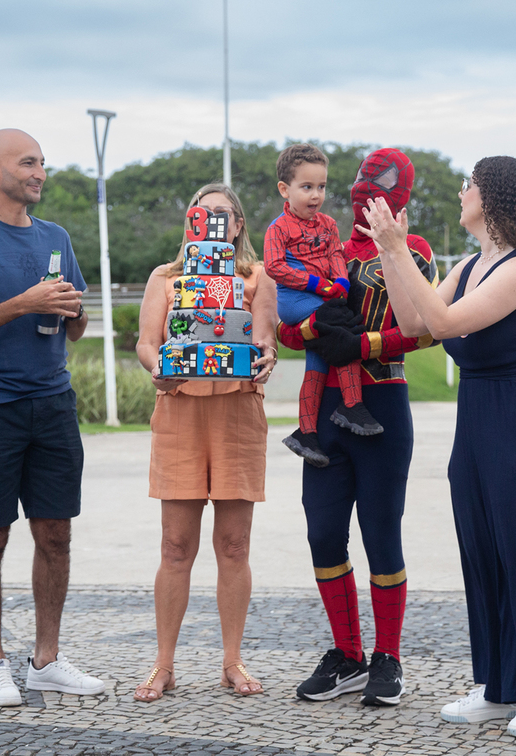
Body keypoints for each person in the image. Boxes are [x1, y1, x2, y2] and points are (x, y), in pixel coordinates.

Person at [357, 156, 516, 738]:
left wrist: (400, 248)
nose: (461, 191)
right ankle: (502, 685)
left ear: (496, 197)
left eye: (470, 184)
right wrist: (387, 249)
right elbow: (415, 323)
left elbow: (449, 323)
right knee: (483, 550)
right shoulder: (468, 265)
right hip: (477, 417)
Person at [0, 128, 104, 707]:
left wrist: (72, 309)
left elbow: (76, 324)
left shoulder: (56, 237)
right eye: (27, 163)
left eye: (43, 164)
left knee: (56, 533)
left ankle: (46, 660)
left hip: (53, 402)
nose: (39, 173)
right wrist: (22, 304)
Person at [276, 148, 436, 708]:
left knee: (380, 534)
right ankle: (347, 654)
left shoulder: (414, 251)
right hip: (326, 416)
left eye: (380, 181)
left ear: (401, 192)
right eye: (363, 178)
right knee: (322, 533)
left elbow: (425, 330)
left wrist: (364, 343)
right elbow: (286, 330)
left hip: (384, 404)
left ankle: (386, 656)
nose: (366, 188)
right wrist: (314, 323)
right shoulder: (330, 250)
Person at [132, 183, 278, 703]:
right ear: (191, 222)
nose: (214, 220)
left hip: (238, 410)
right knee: (175, 546)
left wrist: (266, 354)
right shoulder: (166, 279)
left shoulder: (256, 278)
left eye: (224, 214)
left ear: (238, 225)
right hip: (180, 410)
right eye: (203, 213)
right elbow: (148, 343)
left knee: (234, 545)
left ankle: (232, 661)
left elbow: (264, 337)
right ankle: (164, 664)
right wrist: (159, 372)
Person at [264, 144, 383, 467]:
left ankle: (306, 431)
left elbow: (335, 256)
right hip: (296, 300)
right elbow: (274, 267)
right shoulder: (278, 228)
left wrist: (342, 281)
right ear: (284, 189)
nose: (316, 195)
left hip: (323, 297)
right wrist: (315, 283)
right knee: (341, 331)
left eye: (321, 186)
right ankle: (352, 404)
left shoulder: (328, 224)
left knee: (318, 360)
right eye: (307, 187)